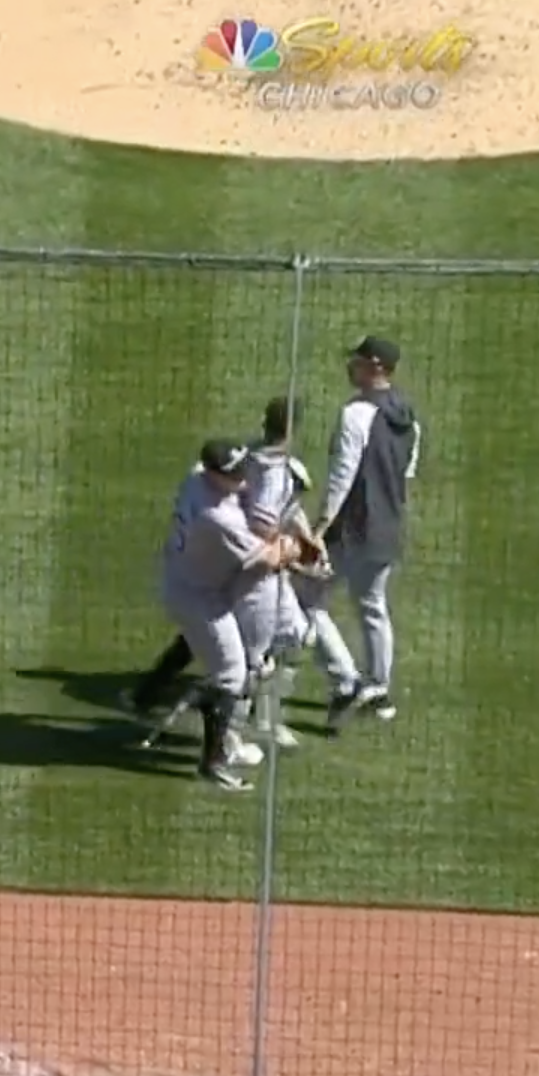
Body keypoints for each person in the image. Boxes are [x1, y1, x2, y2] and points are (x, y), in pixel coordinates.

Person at [160, 440, 299, 791]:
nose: (243, 479)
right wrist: (291, 545)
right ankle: (214, 761)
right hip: (197, 597)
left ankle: (217, 742)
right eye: (234, 475)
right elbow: (270, 558)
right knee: (232, 674)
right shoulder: (219, 517)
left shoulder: (196, 480)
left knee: (231, 672)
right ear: (212, 474)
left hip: (189, 578)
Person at [318, 333, 420, 730]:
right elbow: (405, 473)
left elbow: (342, 478)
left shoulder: (355, 415)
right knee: (373, 606)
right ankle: (379, 690)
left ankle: (345, 679)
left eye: (357, 360)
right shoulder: (409, 416)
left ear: (375, 365)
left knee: (303, 601)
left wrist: (320, 525)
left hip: (351, 528)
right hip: (387, 527)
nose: (350, 366)